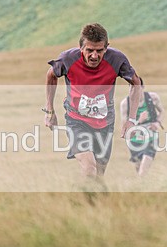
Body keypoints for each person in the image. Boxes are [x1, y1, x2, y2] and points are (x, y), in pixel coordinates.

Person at [44, 23, 143, 178]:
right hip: (76, 121)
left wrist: (131, 119)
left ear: (106, 47)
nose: (94, 56)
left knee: (99, 174)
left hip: (105, 122)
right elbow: (51, 75)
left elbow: (136, 84)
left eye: (99, 50)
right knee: (89, 168)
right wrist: (50, 111)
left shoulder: (116, 59)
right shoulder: (68, 59)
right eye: (89, 50)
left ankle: (91, 200)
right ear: (81, 47)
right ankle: (83, 200)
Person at [120, 88, 164, 176]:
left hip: (151, 138)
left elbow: (162, 111)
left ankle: (141, 185)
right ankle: (142, 186)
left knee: (143, 171)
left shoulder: (153, 97)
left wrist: (157, 122)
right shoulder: (125, 103)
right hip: (135, 141)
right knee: (139, 169)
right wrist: (139, 121)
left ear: (142, 87)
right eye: (132, 89)